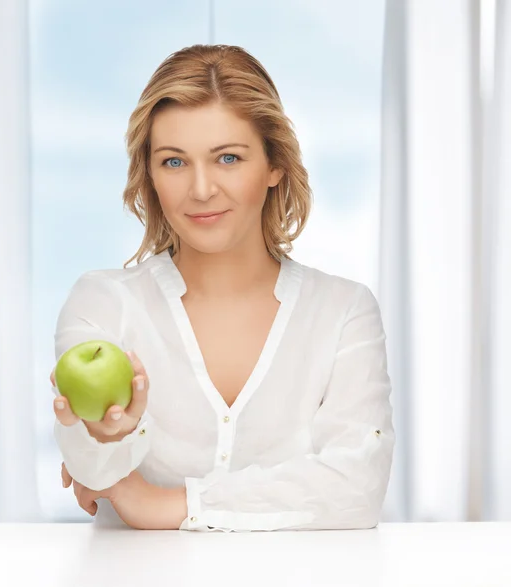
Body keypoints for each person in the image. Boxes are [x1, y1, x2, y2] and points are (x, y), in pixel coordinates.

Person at [49, 44, 395, 532]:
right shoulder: (104, 303)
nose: (202, 189)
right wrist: (103, 440)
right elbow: (91, 470)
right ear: (149, 174)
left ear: (274, 165)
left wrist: (166, 503)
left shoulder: (344, 312)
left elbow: (358, 486)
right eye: (174, 162)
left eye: (228, 158)